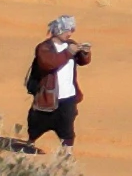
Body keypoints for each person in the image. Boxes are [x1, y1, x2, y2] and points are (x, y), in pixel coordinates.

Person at [24, 15, 92, 153]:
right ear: (58, 30)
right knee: (37, 122)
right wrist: (68, 53)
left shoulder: (70, 44)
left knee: (67, 124)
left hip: (69, 95)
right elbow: (49, 63)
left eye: (71, 30)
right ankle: (30, 143)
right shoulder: (44, 48)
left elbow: (83, 61)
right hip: (48, 95)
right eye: (67, 30)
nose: (70, 33)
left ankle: (67, 153)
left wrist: (85, 53)